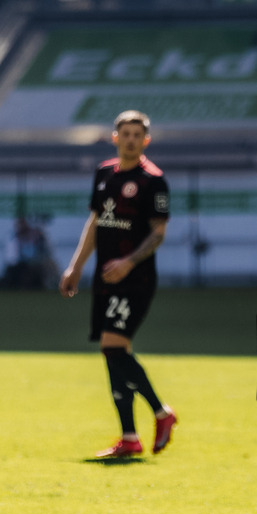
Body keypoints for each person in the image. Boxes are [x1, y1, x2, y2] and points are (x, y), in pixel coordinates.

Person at [59, 110, 177, 459]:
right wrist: (75, 267)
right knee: (112, 353)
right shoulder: (103, 174)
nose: (130, 139)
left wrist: (128, 263)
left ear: (146, 141)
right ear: (115, 138)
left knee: (113, 346)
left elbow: (158, 233)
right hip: (104, 278)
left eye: (136, 134)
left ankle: (160, 412)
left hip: (136, 279)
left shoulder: (153, 180)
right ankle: (129, 437)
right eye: (124, 133)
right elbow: (95, 223)